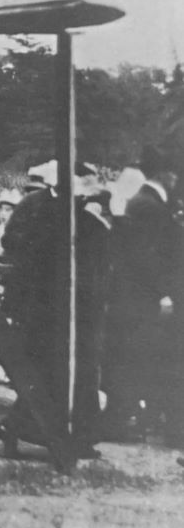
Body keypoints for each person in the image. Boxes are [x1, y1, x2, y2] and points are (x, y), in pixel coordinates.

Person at [0, 160, 109, 457]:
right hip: (39, 304)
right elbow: (10, 239)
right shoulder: (33, 204)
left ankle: (80, 438)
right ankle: (17, 427)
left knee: (81, 371)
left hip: (78, 306)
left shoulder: (88, 211)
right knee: (44, 369)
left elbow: (98, 253)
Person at [102, 146, 179, 443]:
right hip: (141, 298)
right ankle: (119, 420)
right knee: (133, 357)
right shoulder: (151, 207)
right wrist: (162, 293)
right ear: (167, 175)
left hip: (131, 296)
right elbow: (145, 257)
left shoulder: (144, 203)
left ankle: (122, 417)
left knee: (130, 356)